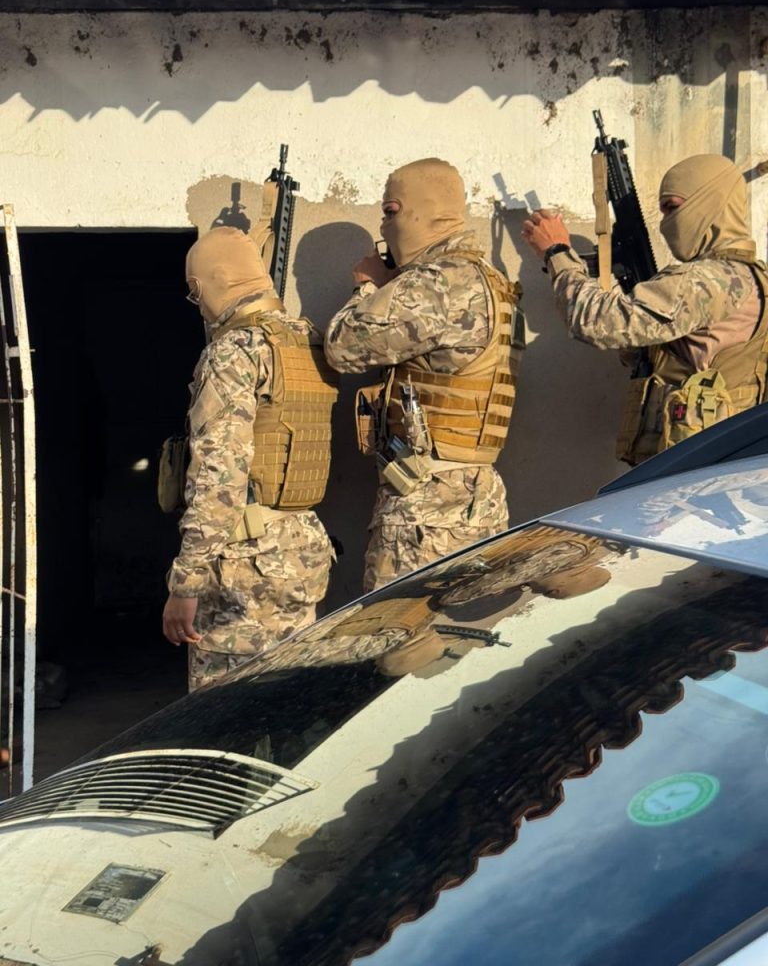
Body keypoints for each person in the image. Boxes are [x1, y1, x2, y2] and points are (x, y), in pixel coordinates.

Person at [324, 157, 525, 592]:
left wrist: (367, 285)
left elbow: (342, 347)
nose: (384, 225)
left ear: (424, 210)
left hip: (427, 508)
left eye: (390, 211)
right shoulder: (491, 280)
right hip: (478, 497)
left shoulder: (437, 282)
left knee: (398, 629)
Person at [162, 226, 338, 690]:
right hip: (301, 552)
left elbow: (219, 477)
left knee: (224, 710)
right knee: (287, 699)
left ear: (210, 284)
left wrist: (186, 582)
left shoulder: (232, 353)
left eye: (195, 293)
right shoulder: (308, 341)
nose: (198, 306)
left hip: (244, 563)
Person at [522, 153, 768, 465]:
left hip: (691, 469)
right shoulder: (751, 276)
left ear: (710, 203)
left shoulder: (708, 282)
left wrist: (557, 252)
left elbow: (595, 321)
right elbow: (647, 351)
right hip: (711, 461)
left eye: (673, 208)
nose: (666, 223)